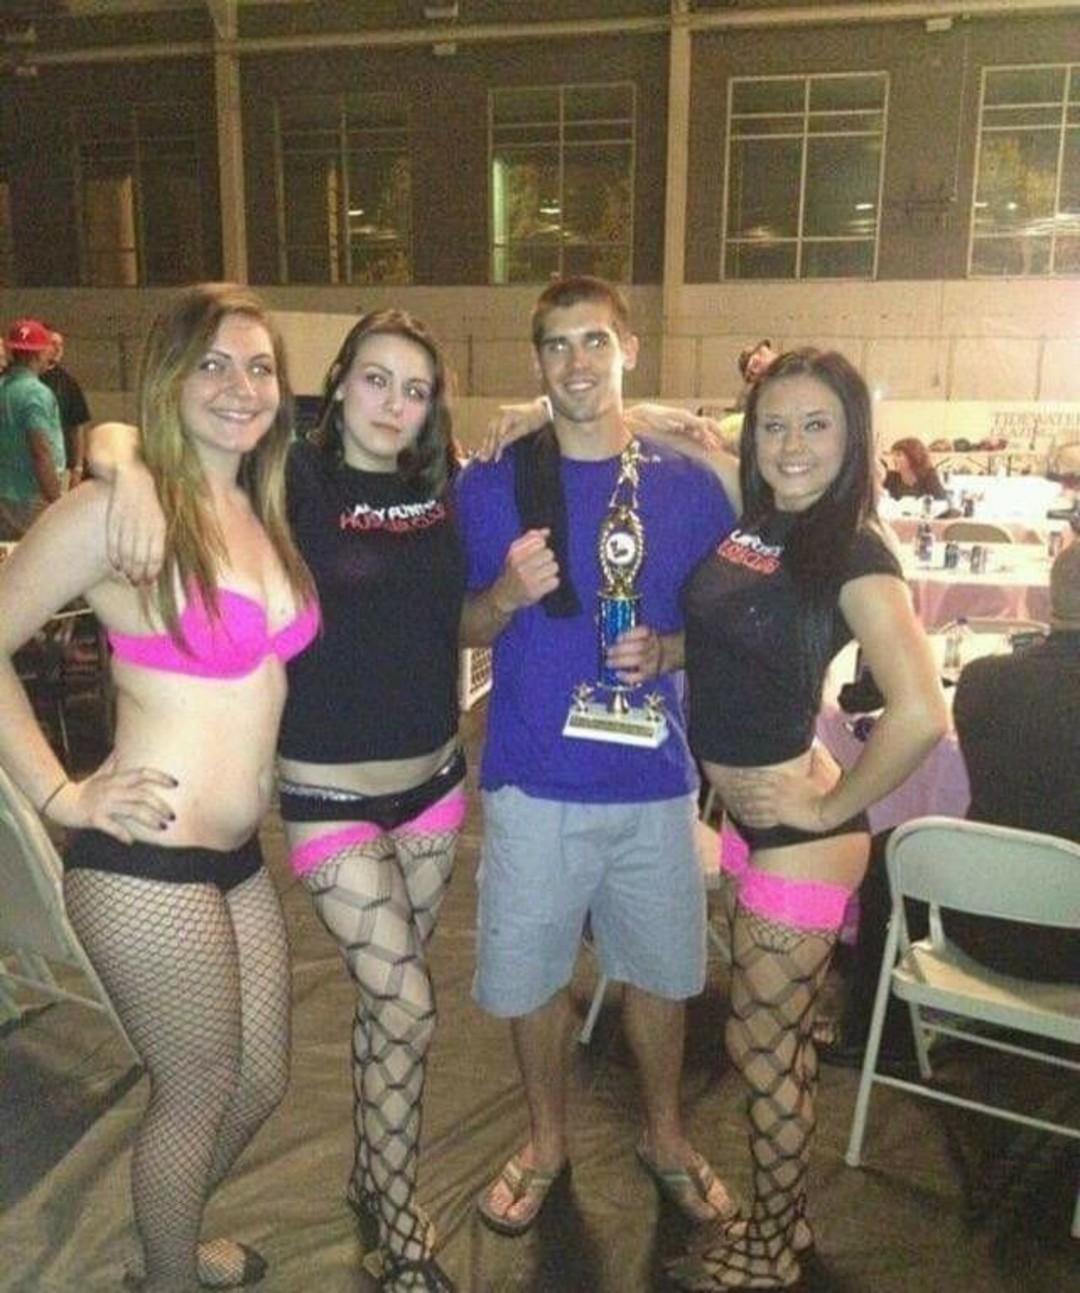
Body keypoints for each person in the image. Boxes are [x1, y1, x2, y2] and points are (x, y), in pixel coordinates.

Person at [96, 308, 465, 1293]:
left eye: (416, 389)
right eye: (376, 378)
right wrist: (120, 461)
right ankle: (398, 1223)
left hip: (432, 787)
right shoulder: (291, 477)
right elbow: (148, 433)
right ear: (336, 383)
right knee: (407, 1003)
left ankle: (370, 1174)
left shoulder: (439, 489)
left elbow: (452, 613)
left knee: (379, 1014)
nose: (394, 403)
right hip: (325, 794)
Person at [0, 282, 318, 1291]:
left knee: (258, 1081)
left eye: (259, 367)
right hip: (143, 861)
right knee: (198, 1087)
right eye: (213, 364)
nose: (241, 386)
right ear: (172, 376)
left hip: (233, 858)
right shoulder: (117, 512)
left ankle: (166, 1235)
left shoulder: (257, 508)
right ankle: (170, 1274)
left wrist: (122, 448)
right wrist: (59, 797)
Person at [457, 276, 738, 1237]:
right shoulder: (492, 481)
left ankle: (665, 1136)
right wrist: (503, 595)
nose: (576, 363)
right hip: (534, 779)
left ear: (628, 351)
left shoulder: (689, 483)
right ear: (537, 361)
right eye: (557, 345)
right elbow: (458, 625)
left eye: (595, 342)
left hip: (653, 781)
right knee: (532, 977)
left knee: (660, 974)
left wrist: (675, 650)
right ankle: (546, 1143)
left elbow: (737, 614)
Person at [668, 349, 948, 1290]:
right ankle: (781, 1224)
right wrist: (668, 647)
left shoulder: (854, 549)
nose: (791, 444)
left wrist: (828, 803)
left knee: (760, 1044)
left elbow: (922, 712)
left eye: (816, 424)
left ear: (853, 436)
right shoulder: (764, 524)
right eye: (774, 424)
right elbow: (740, 632)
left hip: (803, 833)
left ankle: (776, 1241)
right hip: (753, 819)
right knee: (768, 1042)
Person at [946, 541, 1080, 981]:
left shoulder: (980, 680)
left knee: (888, 848)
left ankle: (875, 1023)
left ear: (1050, 598)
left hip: (979, 922)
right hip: (1068, 942)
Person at [0, 317, 65, 539]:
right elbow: (40, 452)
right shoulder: (36, 394)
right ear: (37, 354)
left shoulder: (2, 388)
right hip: (31, 498)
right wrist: (57, 500)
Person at [41, 326, 93, 484]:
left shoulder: (68, 383)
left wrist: (78, 468)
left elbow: (77, 427)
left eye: (60, 345)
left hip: (60, 467)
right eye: (53, 343)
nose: (58, 349)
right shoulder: (26, 378)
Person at [882, 435, 947, 502]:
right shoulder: (890, 477)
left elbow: (941, 499)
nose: (893, 459)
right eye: (893, 454)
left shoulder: (928, 476)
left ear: (913, 457)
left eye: (898, 455)